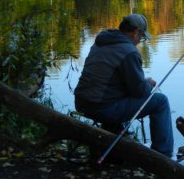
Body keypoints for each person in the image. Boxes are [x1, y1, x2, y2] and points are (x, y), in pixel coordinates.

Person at [74, 14, 174, 157]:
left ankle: (118, 142)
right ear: (136, 32)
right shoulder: (129, 51)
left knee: (121, 94)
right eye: (142, 37)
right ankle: (163, 154)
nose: (140, 41)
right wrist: (149, 84)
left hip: (82, 103)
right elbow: (139, 92)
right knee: (160, 101)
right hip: (102, 107)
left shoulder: (101, 42)